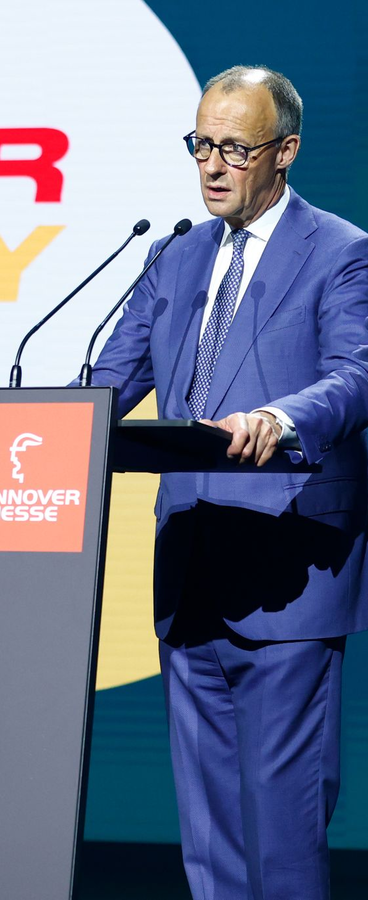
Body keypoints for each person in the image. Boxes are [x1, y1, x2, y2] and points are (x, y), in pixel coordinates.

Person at [88, 65, 368, 900]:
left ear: (285, 151)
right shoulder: (172, 257)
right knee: (209, 838)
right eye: (201, 144)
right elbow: (107, 386)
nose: (212, 166)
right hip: (190, 570)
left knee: (280, 831)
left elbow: (356, 376)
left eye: (235, 149)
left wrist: (280, 418)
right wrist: (27, 424)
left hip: (287, 571)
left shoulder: (342, 253)